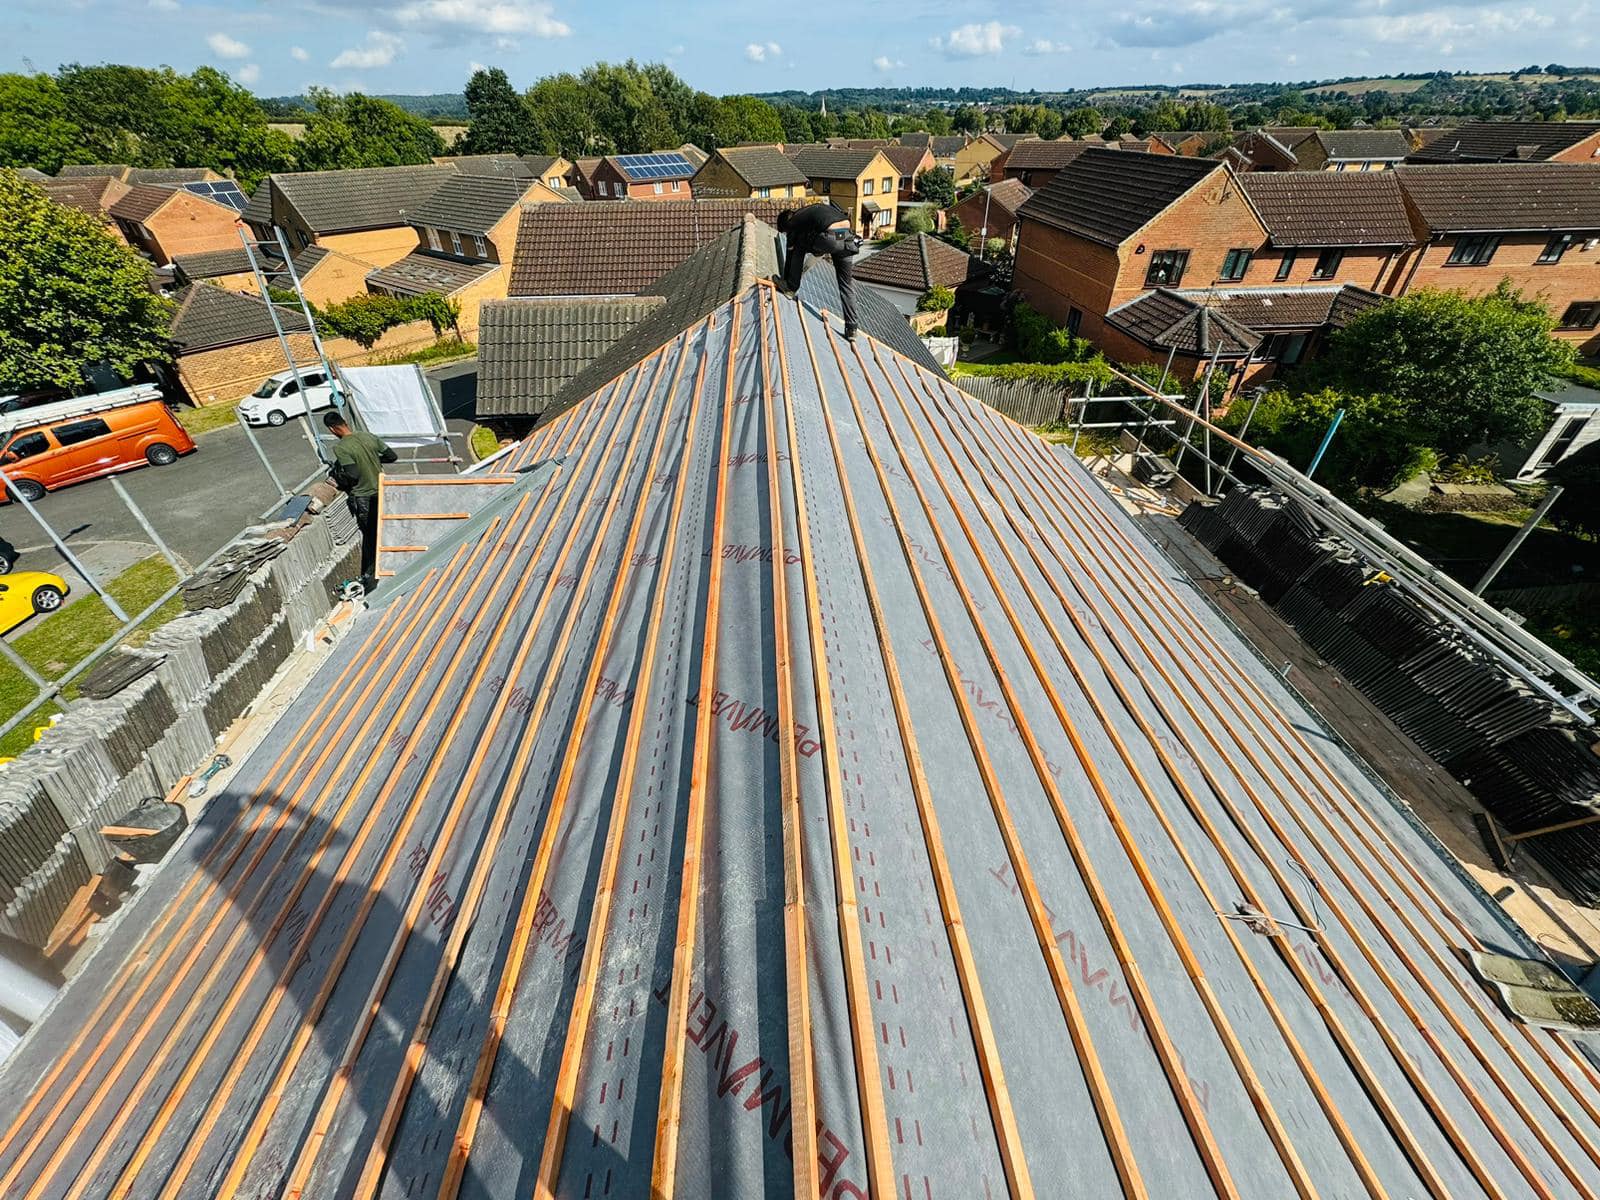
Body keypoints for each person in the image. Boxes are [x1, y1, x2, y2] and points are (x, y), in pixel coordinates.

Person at [324, 410, 395, 592]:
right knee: (388, 530)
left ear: (332, 430)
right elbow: (391, 456)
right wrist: (372, 460)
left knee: (371, 538)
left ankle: (371, 578)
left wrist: (339, 476)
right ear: (345, 422)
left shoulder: (341, 448)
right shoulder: (367, 436)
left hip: (364, 497)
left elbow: (353, 474)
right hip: (383, 489)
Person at [777, 203, 861, 340]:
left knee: (798, 244)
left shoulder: (794, 220)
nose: (787, 234)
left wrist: (785, 281)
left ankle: (791, 287)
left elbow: (790, 251)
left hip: (830, 238)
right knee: (846, 284)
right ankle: (852, 328)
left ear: (786, 224)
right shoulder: (812, 213)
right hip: (846, 236)